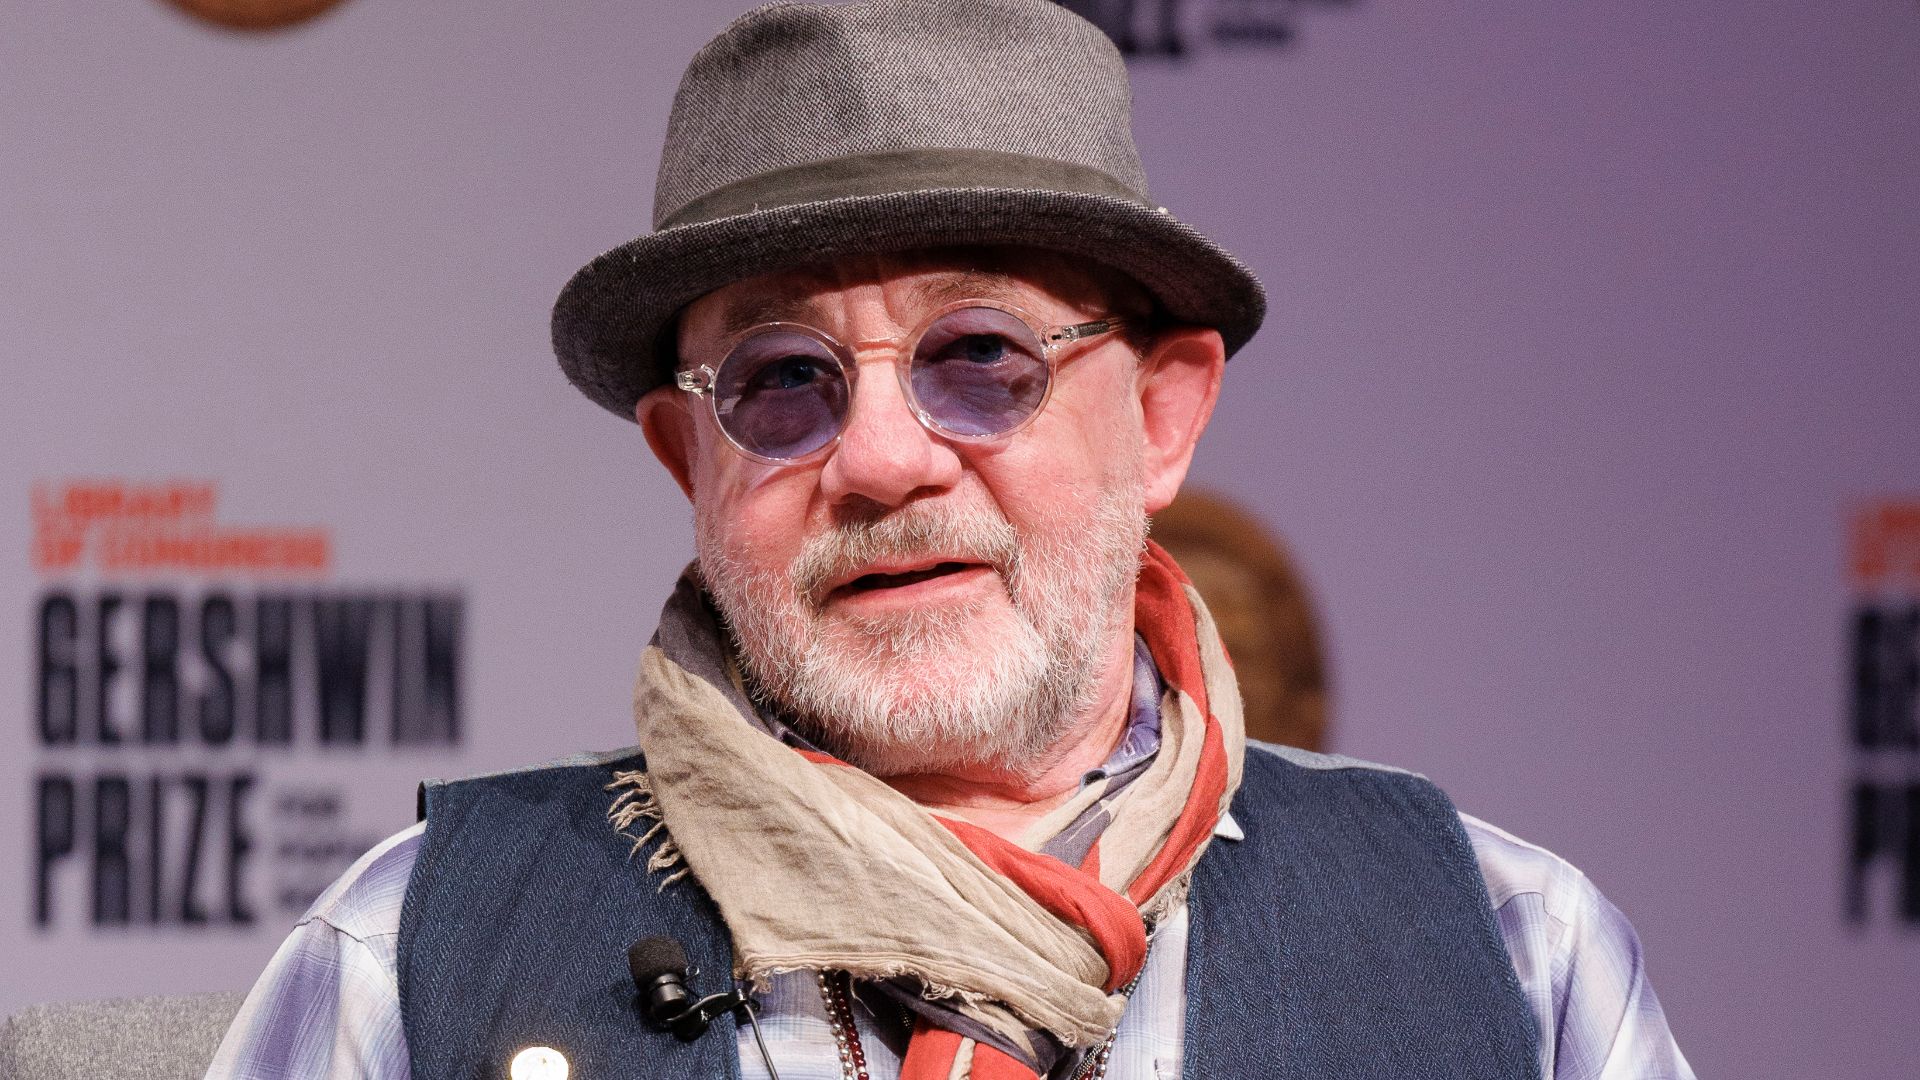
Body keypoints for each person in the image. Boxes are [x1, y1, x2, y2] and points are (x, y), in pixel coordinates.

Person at [207, 1, 1695, 1077]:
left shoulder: (1512, 955)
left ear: (1163, 419)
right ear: (688, 462)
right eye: (782, 383)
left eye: (979, 356)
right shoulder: (411, 953)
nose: (882, 458)